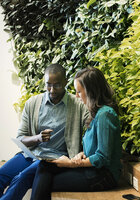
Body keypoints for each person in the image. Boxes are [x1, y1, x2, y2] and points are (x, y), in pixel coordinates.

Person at [30, 67, 122, 200]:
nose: (77, 96)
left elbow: (103, 157)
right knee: (45, 166)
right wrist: (82, 154)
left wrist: (71, 164)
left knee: (44, 182)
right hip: (92, 170)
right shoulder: (96, 114)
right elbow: (97, 147)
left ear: (91, 91)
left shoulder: (105, 115)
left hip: (104, 176)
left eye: (79, 91)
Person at [0, 63, 89, 200]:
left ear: (65, 82)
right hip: (30, 155)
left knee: (21, 178)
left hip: (52, 160)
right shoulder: (33, 103)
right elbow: (21, 138)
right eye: (48, 84)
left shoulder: (77, 105)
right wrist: (38, 138)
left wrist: (82, 152)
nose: (52, 90)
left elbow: (92, 129)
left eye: (57, 85)